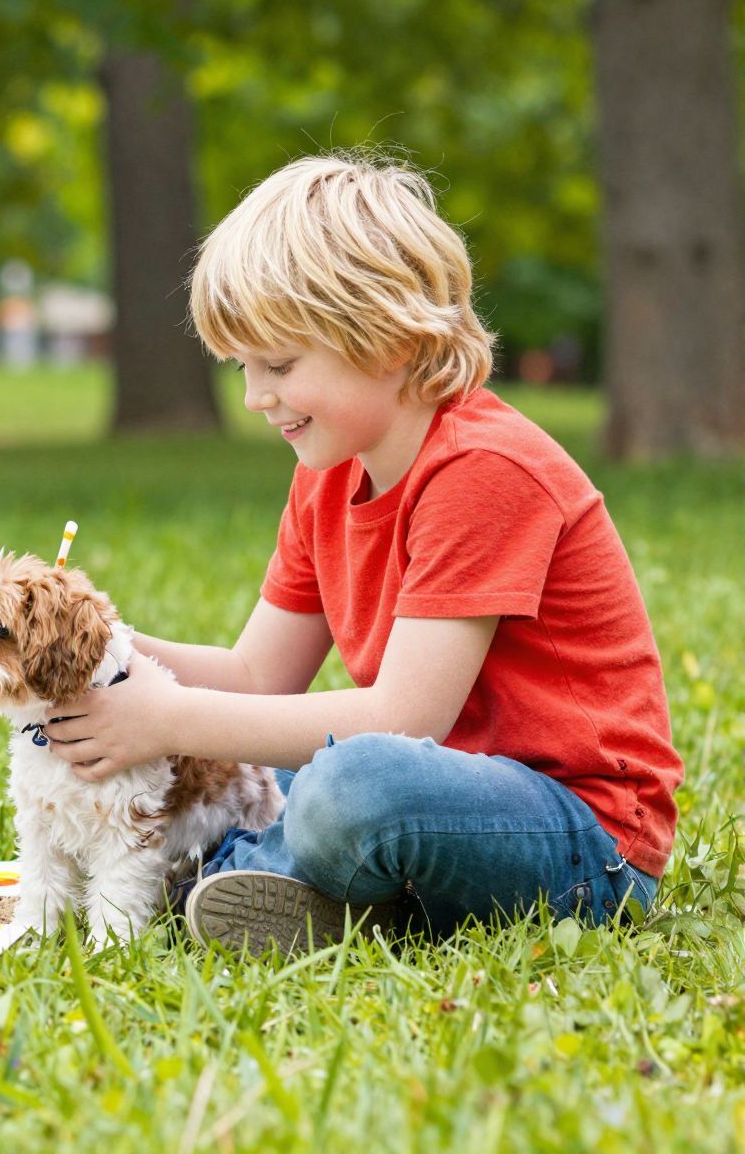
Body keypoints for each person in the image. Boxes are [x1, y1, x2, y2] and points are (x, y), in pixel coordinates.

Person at [42, 154, 681, 951]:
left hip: (582, 835)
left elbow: (404, 719)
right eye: (244, 368)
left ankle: (233, 874)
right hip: (439, 795)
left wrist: (165, 717)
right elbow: (257, 679)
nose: (255, 398)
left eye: (279, 365)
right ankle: (308, 890)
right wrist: (106, 650)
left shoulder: (483, 468)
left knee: (350, 782)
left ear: (386, 340)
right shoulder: (326, 474)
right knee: (273, 769)